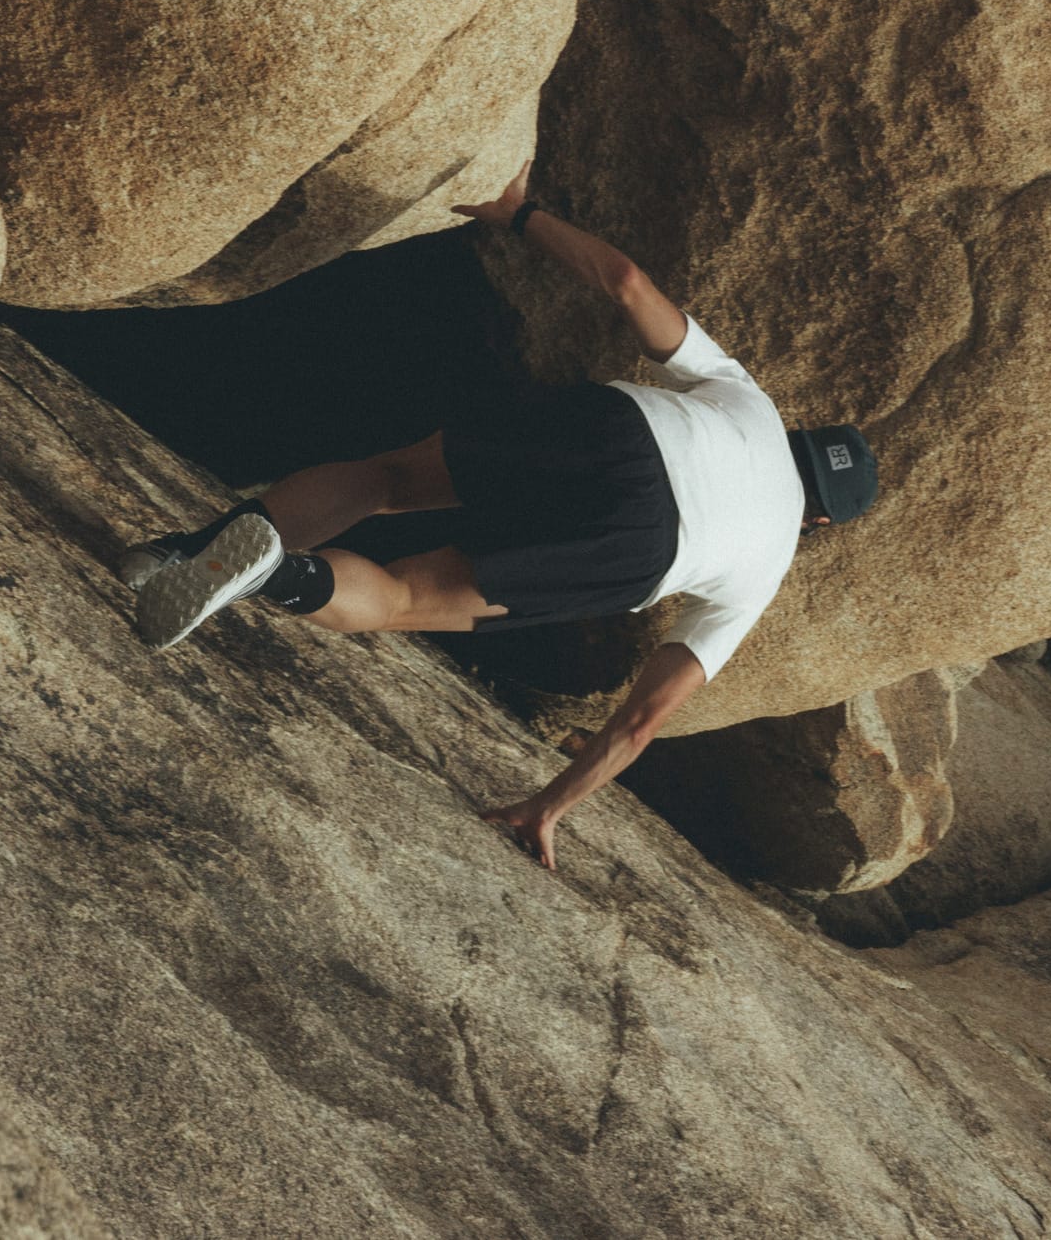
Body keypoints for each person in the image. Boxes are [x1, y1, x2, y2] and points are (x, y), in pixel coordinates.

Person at [119, 162, 878, 871]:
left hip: (623, 430)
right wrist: (549, 805)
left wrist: (517, 212)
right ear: (817, 524)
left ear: (797, 439)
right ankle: (275, 574)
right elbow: (643, 719)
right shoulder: (764, 569)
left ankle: (182, 554)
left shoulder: (749, 401)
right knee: (402, 597)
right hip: (641, 547)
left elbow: (626, 283)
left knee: (387, 479)